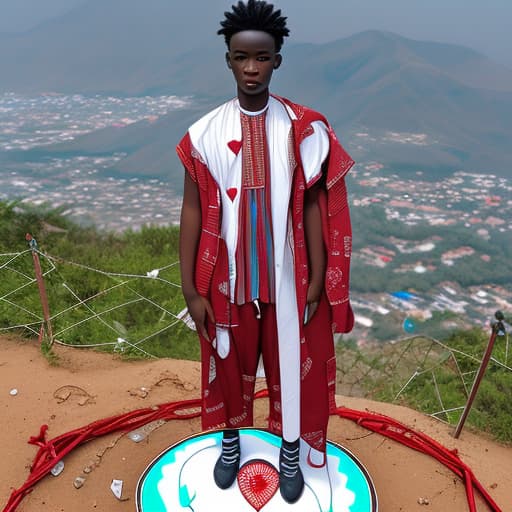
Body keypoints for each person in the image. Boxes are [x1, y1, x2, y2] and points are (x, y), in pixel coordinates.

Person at [177, 0, 354, 504]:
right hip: (228, 279)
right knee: (230, 365)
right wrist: (191, 288)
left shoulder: (303, 128)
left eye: (262, 57)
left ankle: (291, 450)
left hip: (288, 276)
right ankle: (231, 443)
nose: (251, 68)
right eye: (241, 57)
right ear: (227, 60)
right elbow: (192, 213)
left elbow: (318, 203)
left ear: (278, 59)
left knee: (292, 363)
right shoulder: (204, 135)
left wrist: (319, 276)